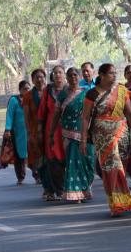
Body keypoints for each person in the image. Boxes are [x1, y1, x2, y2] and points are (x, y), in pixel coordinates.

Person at [80, 63, 131, 217]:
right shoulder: (92, 94)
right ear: (101, 75)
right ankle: (117, 202)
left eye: (115, 73)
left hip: (122, 134)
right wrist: (83, 140)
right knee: (111, 168)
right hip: (102, 137)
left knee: (121, 167)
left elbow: (130, 114)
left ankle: (119, 200)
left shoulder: (122, 91)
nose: (114, 76)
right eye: (111, 73)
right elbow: (86, 118)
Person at [49, 67, 95, 203]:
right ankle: (76, 192)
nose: (73, 77)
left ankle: (85, 189)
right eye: (70, 75)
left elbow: (93, 112)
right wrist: (51, 134)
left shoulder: (87, 93)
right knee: (73, 162)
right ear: (67, 78)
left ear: (79, 76)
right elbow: (56, 114)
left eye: (75, 75)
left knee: (88, 162)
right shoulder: (62, 95)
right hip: (68, 133)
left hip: (84, 132)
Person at [38, 65, 67, 200]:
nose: (57, 75)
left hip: (68, 130)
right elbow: (42, 112)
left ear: (64, 75)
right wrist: (39, 132)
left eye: (60, 72)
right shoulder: (48, 91)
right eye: (55, 73)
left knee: (69, 159)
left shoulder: (70, 90)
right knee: (53, 160)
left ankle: (71, 188)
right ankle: (58, 189)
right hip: (52, 130)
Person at [4, 80, 32, 185]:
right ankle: (20, 176)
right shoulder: (14, 101)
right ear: (20, 90)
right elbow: (10, 115)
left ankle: (37, 175)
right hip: (18, 133)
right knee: (19, 155)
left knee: (34, 153)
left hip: (31, 131)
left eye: (28, 88)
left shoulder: (33, 99)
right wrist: (7, 129)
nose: (27, 91)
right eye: (25, 89)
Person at [23, 69, 46, 186]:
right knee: (36, 155)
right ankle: (39, 175)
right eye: (36, 77)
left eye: (41, 77)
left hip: (49, 129)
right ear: (32, 80)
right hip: (34, 131)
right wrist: (29, 133)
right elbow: (26, 116)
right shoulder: (28, 96)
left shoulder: (50, 92)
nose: (39, 79)